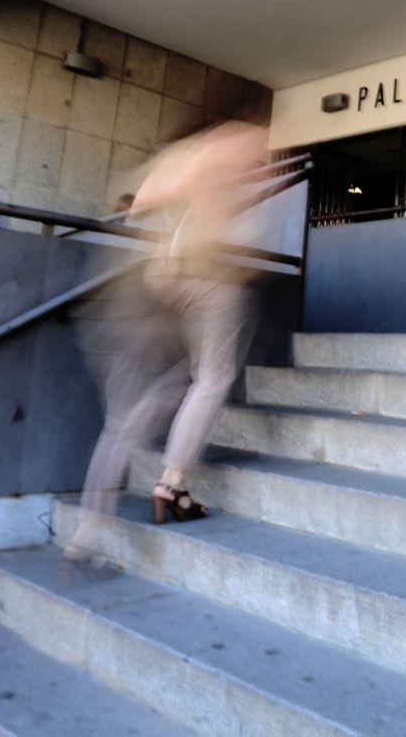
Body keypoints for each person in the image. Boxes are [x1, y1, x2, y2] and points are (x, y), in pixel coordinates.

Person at [132, 119, 271, 523]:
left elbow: (142, 202)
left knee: (199, 375)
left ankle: (180, 489)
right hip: (208, 278)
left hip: (169, 277)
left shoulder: (183, 162)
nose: (260, 156)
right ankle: (171, 482)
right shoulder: (220, 160)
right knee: (213, 379)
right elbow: (217, 226)